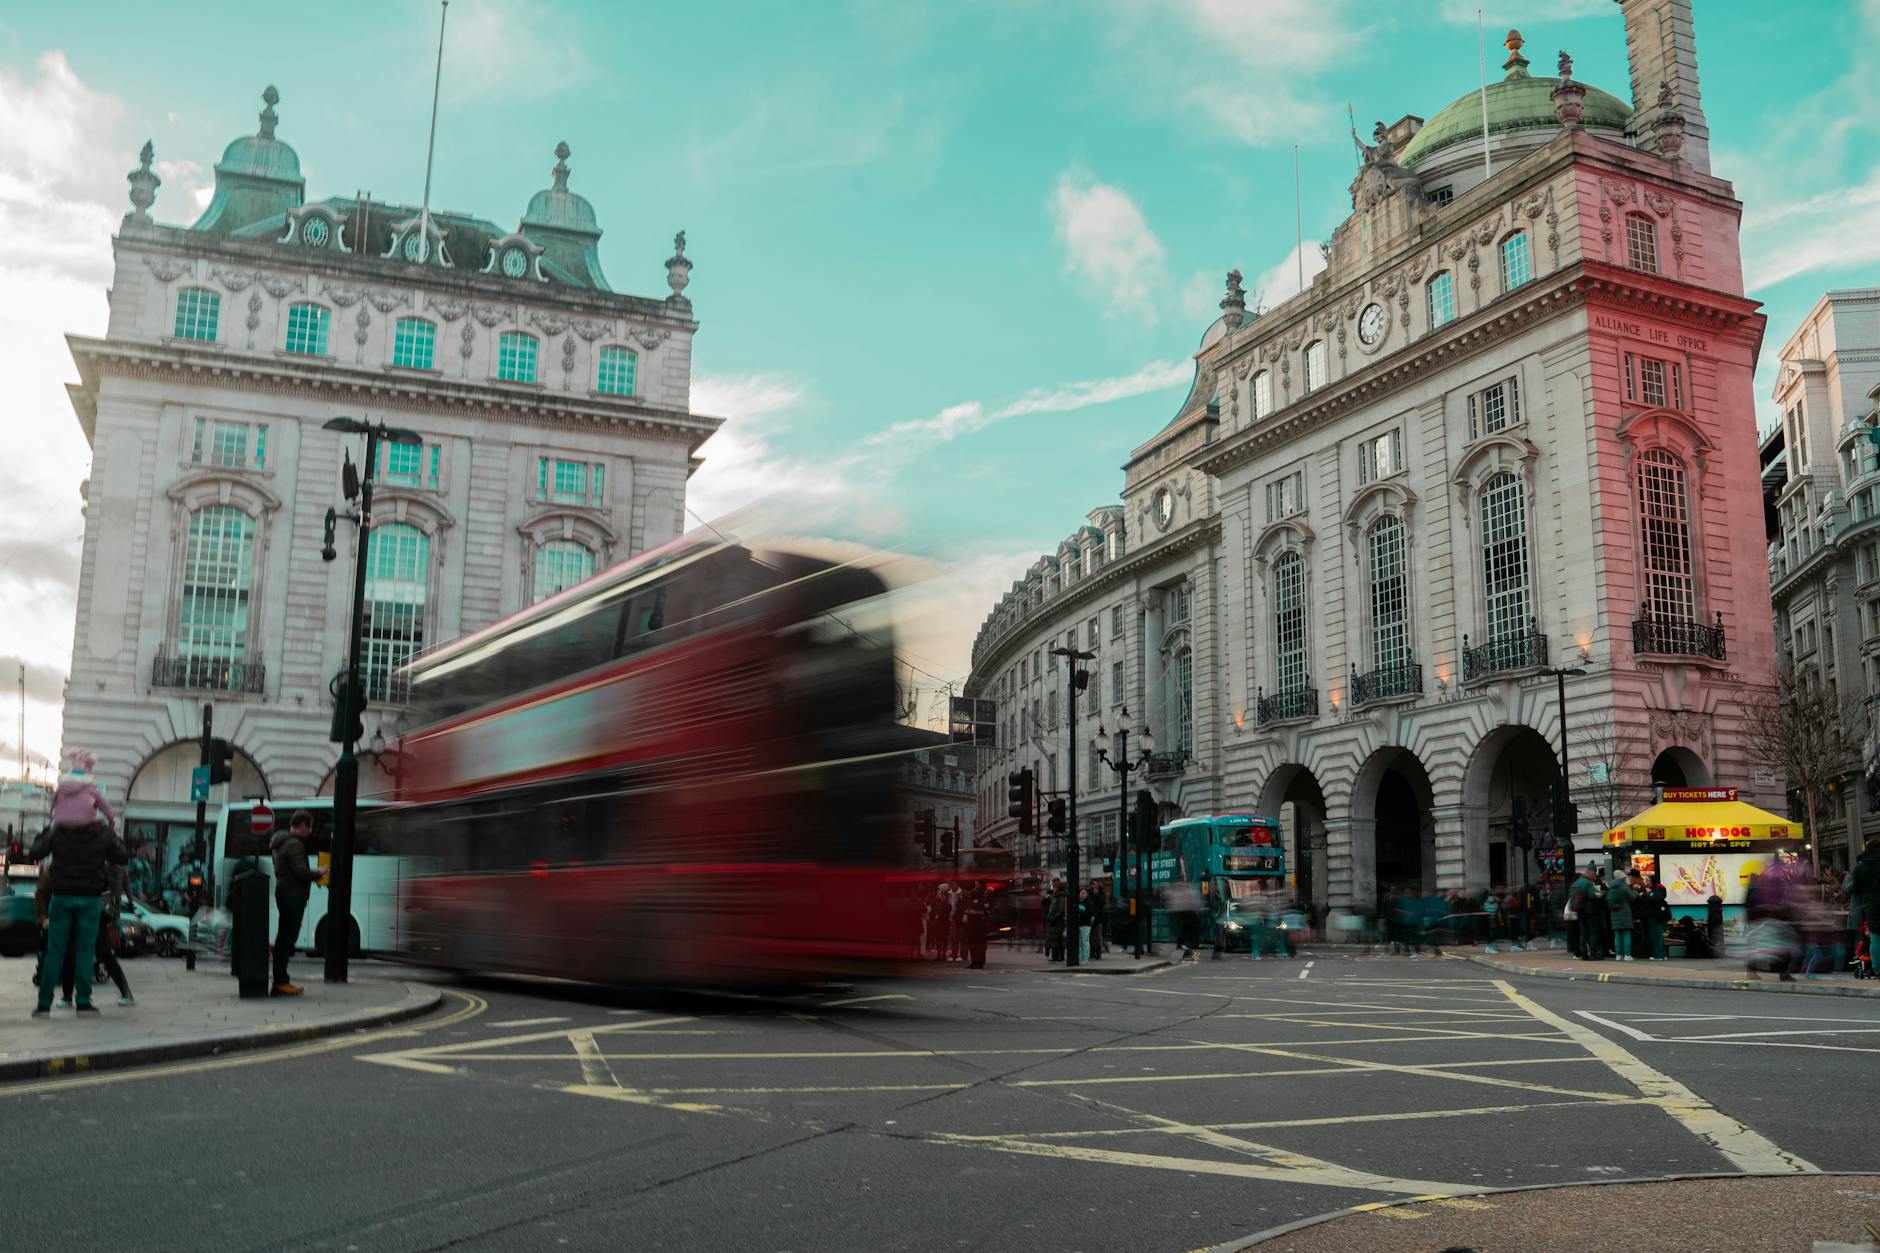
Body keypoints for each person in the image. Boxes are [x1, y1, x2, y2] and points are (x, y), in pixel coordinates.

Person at [29, 766, 129, 1018]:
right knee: (86, 950)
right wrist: (111, 832)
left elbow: (34, 852)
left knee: (55, 951)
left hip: (61, 897)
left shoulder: (58, 831)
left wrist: (51, 827)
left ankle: (43, 1005)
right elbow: (123, 856)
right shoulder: (102, 833)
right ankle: (83, 1002)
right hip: (89, 899)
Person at [269, 810, 325, 996]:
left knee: (284, 937)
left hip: (285, 894)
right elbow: (301, 871)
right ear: (301, 825)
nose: (309, 831)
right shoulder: (294, 845)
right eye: (308, 827)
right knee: (287, 939)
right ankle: (280, 982)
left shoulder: (281, 842)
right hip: (293, 896)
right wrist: (319, 872)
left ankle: (281, 980)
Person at [1606, 872, 1635, 961]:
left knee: (1617, 935)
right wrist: (1635, 892)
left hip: (1614, 913)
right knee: (1626, 934)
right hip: (1624, 912)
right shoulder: (1623, 886)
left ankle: (1618, 955)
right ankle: (1627, 955)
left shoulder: (1611, 887)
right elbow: (1632, 897)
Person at [961, 882, 990, 969]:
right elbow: (965, 908)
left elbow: (986, 911)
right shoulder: (971, 899)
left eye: (977, 884)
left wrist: (975, 913)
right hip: (972, 924)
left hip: (980, 925)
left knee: (980, 944)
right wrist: (967, 911)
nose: (975, 888)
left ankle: (980, 962)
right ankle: (974, 961)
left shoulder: (984, 899)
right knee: (972, 943)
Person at [1045, 880, 1066, 962]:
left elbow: (1061, 909)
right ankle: (1055, 956)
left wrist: (1054, 917)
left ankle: (1059, 957)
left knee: (1058, 939)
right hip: (1054, 920)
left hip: (1058, 921)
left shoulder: (1061, 896)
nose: (1052, 888)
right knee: (1054, 939)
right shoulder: (1054, 896)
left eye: (1053, 886)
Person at [1086, 881, 1105, 960]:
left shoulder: (1101, 893)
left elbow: (1102, 903)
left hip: (1098, 918)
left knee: (1098, 937)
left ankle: (1098, 953)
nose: (1094, 886)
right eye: (1093, 885)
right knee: (1090, 937)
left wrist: (1096, 894)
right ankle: (1092, 953)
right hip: (1090, 918)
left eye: (1096, 885)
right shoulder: (1088, 893)